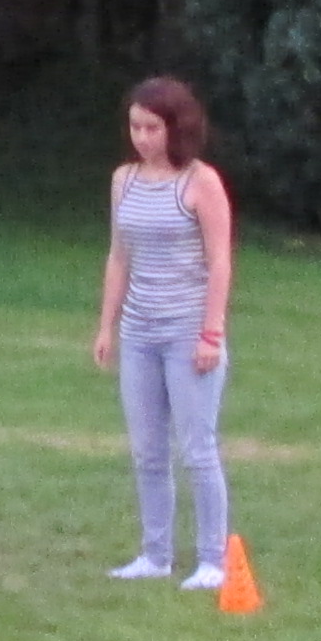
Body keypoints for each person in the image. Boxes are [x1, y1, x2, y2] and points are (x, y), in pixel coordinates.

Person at [92, 74, 238, 590]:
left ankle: (213, 561)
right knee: (147, 451)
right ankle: (155, 555)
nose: (142, 137)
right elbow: (119, 256)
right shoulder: (124, 181)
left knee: (198, 449)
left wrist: (210, 334)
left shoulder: (201, 182)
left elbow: (220, 261)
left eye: (152, 128)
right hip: (139, 332)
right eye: (135, 127)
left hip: (187, 332)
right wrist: (107, 326)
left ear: (177, 128)